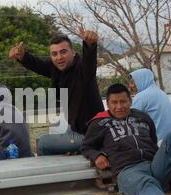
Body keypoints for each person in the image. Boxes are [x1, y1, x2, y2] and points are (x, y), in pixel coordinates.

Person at [8, 27, 104, 155]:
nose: (59, 57)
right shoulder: (56, 69)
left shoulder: (82, 69)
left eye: (63, 52)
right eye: (54, 54)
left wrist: (90, 45)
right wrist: (23, 56)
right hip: (75, 128)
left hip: (91, 135)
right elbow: (39, 65)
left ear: (73, 52)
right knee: (60, 134)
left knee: (42, 143)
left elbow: (89, 62)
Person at [129, 68, 171, 141]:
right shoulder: (160, 92)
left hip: (160, 142)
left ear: (142, 80)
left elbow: (131, 120)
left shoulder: (142, 96)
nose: (131, 86)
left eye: (133, 82)